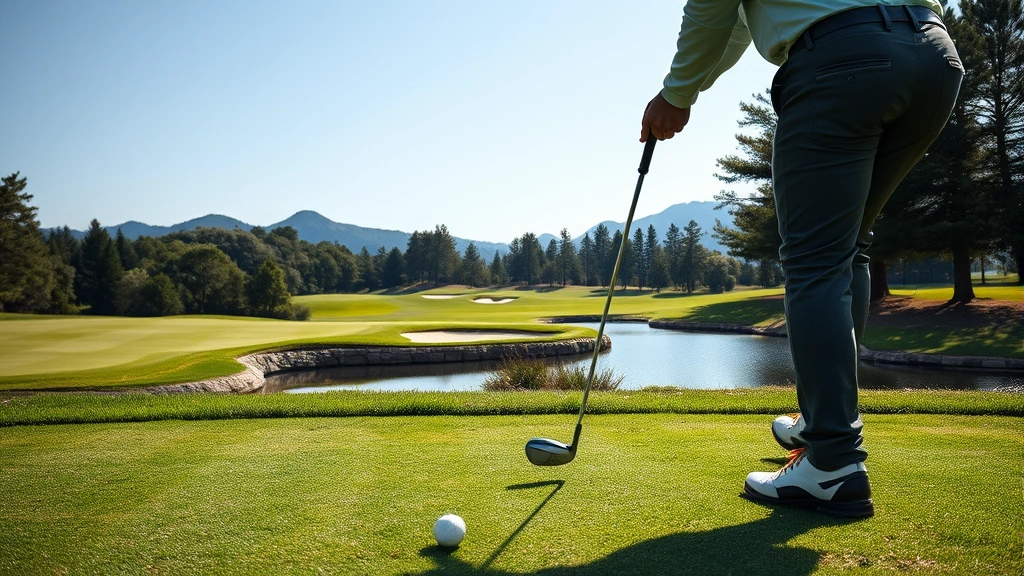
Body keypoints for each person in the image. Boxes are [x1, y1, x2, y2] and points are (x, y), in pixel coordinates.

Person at [641, 1, 963, 518]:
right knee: (848, 247)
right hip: (933, 55)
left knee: (816, 262)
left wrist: (677, 94)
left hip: (842, 62)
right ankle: (820, 423)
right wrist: (688, 90)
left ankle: (832, 462)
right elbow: (736, 27)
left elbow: (712, 8)